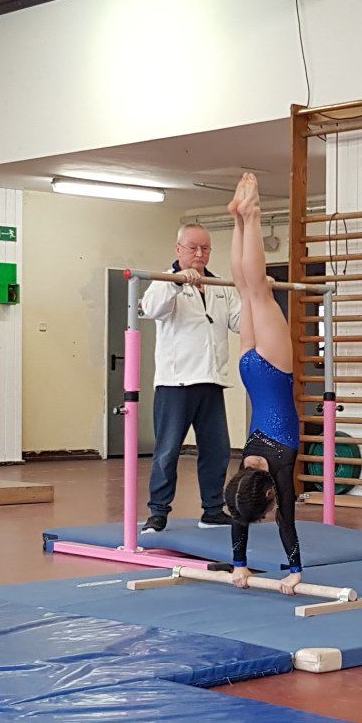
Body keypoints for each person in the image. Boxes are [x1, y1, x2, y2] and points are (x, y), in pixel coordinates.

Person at [221, 173, 306, 596]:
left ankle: (251, 215)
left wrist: (296, 571)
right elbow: (240, 515)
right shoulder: (244, 468)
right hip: (250, 372)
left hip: (273, 371)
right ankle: (239, 221)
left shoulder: (280, 468)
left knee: (257, 290)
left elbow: (286, 520)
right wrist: (237, 565)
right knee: (245, 289)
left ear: (270, 491)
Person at [138, 222, 243, 532]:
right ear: (178, 249)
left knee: (217, 451)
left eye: (205, 248)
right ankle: (158, 512)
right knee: (168, 451)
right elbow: (151, 309)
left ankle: (213, 510)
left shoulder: (220, 286)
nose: (200, 254)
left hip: (211, 381)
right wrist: (177, 282)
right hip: (176, 383)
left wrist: (257, 294)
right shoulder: (164, 280)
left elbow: (239, 322)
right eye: (193, 248)